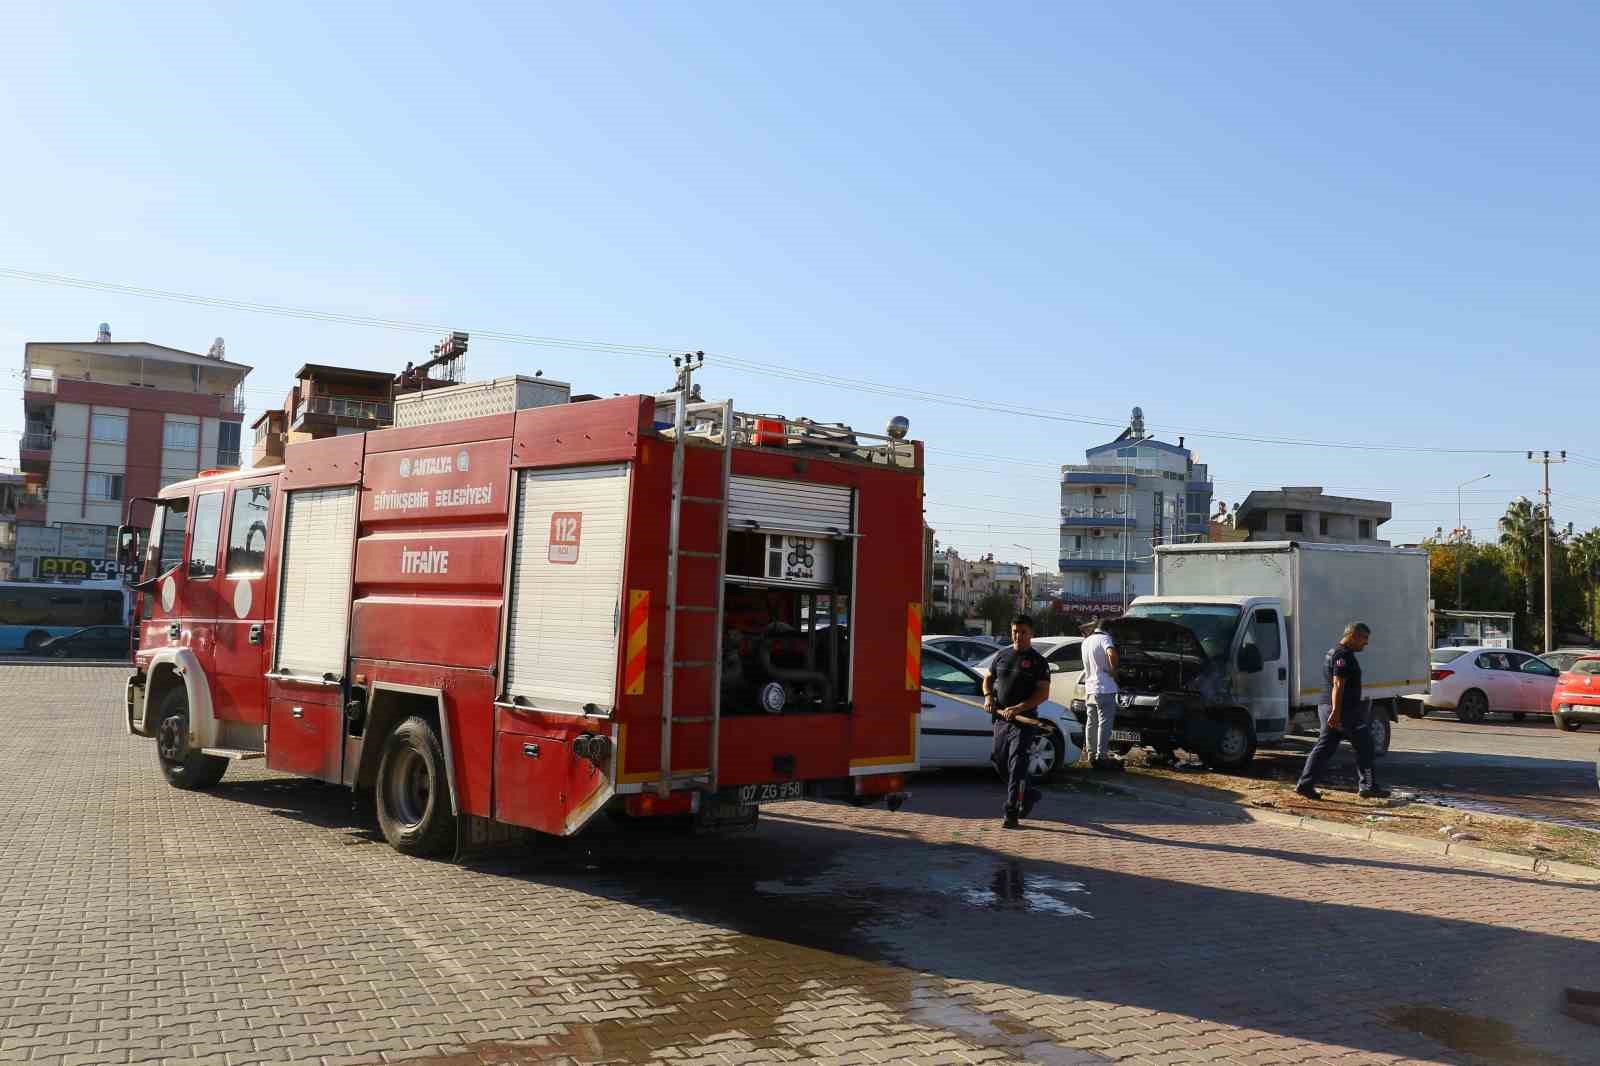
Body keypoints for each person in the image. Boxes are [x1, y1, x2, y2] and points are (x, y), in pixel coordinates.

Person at [1296, 622, 1391, 800]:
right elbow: (1338, 685)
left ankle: (1305, 784)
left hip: (1331, 708)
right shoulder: (1343, 656)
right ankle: (1368, 786)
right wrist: (1336, 712)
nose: (1366, 643)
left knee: (1324, 748)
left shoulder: (1334, 653)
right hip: (1344, 712)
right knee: (1366, 746)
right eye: (1364, 638)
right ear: (1353, 636)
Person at [984, 614, 1053, 829]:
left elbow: (1043, 694)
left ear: (1031, 634)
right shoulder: (1002, 656)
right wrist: (988, 696)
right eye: (1015, 631)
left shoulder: (1038, 662)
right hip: (1001, 719)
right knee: (999, 760)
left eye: (1023, 632)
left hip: (1024, 721)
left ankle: (1011, 812)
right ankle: (1029, 793)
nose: (1018, 635)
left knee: (1017, 765)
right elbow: (988, 678)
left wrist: (1019, 708)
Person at [1080, 617, 1122, 771]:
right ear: (1109, 629)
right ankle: (1101, 756)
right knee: (1105, 723)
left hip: (1090, 687)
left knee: (1091, 722)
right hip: (1104, 687)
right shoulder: (1105, 638)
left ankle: (1091, 754)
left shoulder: (1086, 641)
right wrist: (1113, 670)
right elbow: (1111, 653)